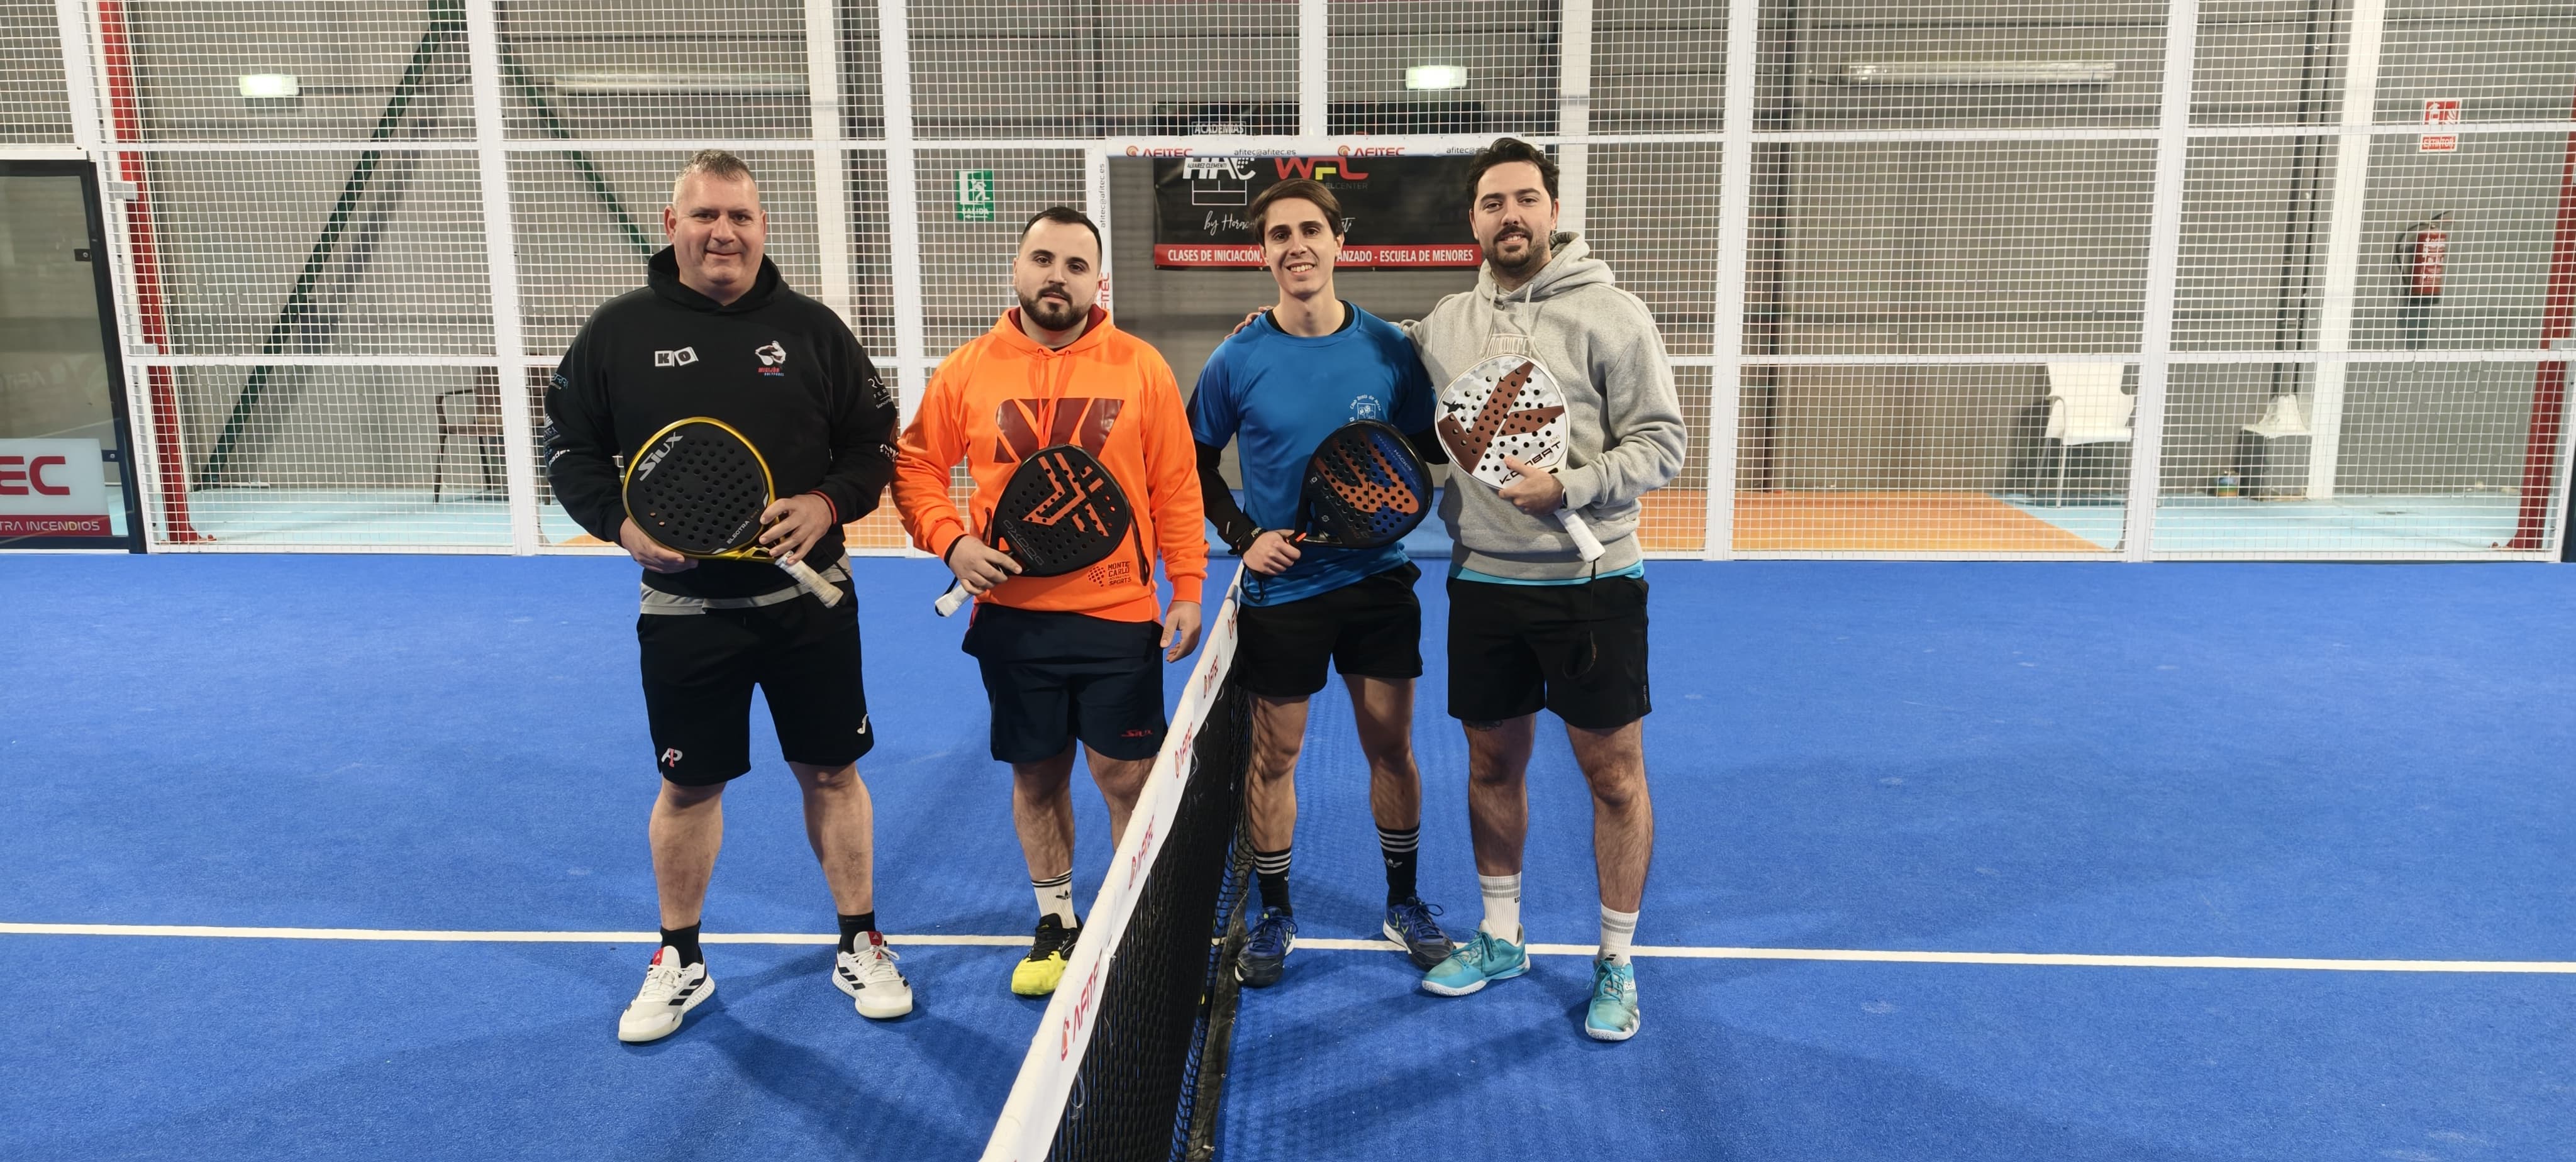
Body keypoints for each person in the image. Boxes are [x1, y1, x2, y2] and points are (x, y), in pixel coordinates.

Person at [545, 150, 913, 1043]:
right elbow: (570, 452)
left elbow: (875, 443)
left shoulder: (814, 331)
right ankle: (680, 958)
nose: (723, 232)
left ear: (762, 227)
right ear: (671, 224)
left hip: (810, 604)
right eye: (706, 215)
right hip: (685, 613)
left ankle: (861, 941)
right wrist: (620, 526)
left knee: (832, 772)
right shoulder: (617, 332)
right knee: (688, 785)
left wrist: (827, 503)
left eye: (740, 216)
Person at [1408, 138, 1685, 1042]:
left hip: (1592, 585)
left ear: (1553, 212)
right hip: (1484, 585)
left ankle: (1616, 960)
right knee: (1492, 766)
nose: (1511, 215)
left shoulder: (1612, 314)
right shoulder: (1447, 325)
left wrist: (1572, 486)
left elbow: (1662, 444)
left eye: (1526, 199)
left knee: (1614, 776)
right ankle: (1501, 937)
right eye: (1493, 203)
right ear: (1473, 221)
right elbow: (1386, 366)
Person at [891, 206, 1207, 997]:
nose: (1056, 277)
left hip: (1117, 614)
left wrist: (1188, 586)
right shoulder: (968, 370)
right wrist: (951, 543)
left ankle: (1137, 924)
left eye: (1074, 264)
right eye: (1042, 259)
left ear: (1098, 280)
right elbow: (916, 467)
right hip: (1012, 622)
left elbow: (1175, 485)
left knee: (1126, 777)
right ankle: (1057, 922)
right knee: (1036, 776)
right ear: (1017, 268)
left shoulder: (1141, 367)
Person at [1187, 178, 1455, 987]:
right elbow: (1194, 462)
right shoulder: (1236, 358)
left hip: (1377, 585)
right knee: (1275, 757)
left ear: (1340, 242)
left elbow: (1425, 451)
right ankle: (1274, 912)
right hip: (1284, 594)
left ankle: (1403, 902)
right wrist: (1244, 538)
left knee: (1391, 748)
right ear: (1263, 253)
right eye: (1279, 234)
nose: (1296, 246)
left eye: (1310, 229)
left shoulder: (1389, 348)